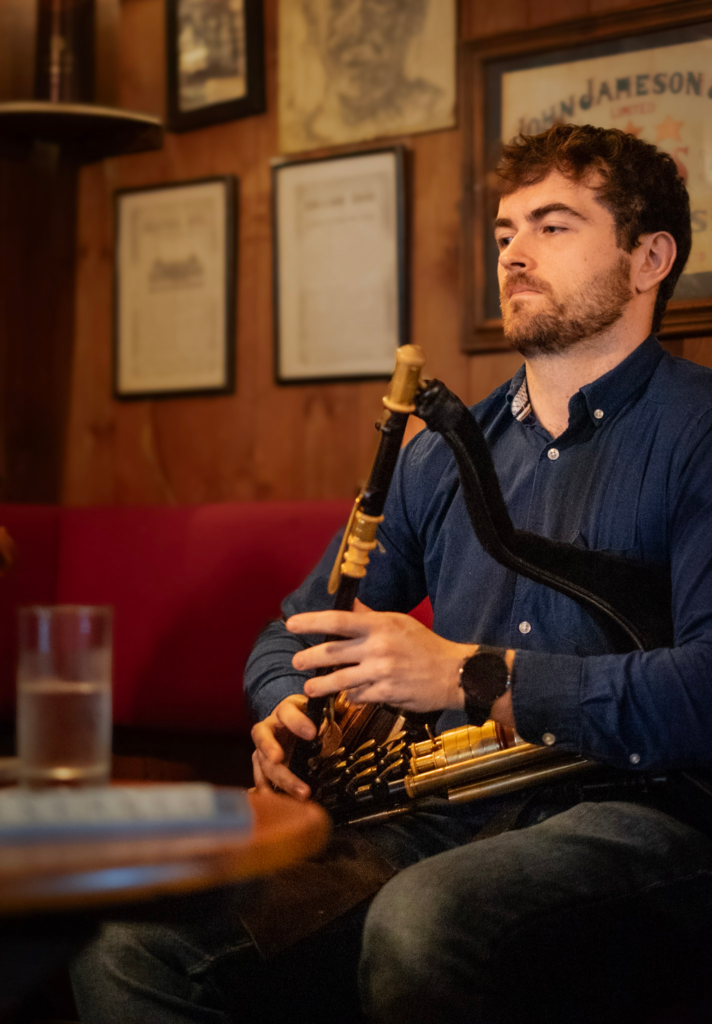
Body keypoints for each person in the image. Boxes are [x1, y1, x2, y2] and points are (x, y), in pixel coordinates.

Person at [71, 124, 712, 1024]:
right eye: (505, 231)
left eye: (553, 226)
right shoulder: (439, 454)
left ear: (650, 259)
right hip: (442, 813)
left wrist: (468, 675)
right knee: (133, 945)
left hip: (641, 810)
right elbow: (291, 633)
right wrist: (285, 708)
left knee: (423, 922)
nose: (514, 253)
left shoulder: (698, 431)